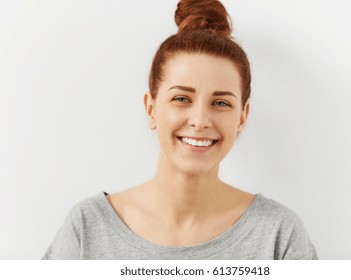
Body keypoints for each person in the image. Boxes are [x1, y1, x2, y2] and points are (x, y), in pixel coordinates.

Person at [43, 0, 317, 260]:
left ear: (242, 117)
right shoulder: (87, 228)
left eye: (220, 103)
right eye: (181, 99)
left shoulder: (279, 236)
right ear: (151, 109)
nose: (200, 120)